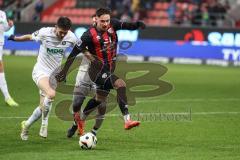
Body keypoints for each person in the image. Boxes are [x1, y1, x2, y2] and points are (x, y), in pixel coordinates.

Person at [56, 8, 146, 135]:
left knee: (99, 99)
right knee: (120, 84)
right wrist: (64, 71)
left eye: (107, 21)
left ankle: (80, 120)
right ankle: (127, 120)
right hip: (96, 72)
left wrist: (137, 25)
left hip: (108, 70)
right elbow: (73, 53)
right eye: (102, 21)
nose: (105, 24)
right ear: (96, 19)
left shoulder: (113, 25)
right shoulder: (88, 35)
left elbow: (126, 25)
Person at [8, 17, 78, 140]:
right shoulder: (45, 32)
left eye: (65, 32)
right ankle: (44, 125)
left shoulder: (71, 37)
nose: (62, 35)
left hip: (53, 76)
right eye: (61, 31)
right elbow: (30, 37)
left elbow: (81, 48)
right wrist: (15, 38)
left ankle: (26, 126)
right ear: (55, 27)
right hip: (40, 71)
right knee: (51, 94)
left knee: (42, 107)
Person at [0, 10, 18, 107]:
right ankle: (7, 97)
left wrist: (9, 25)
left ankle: (7, 97)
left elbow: (4, 28)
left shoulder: (2, 13)